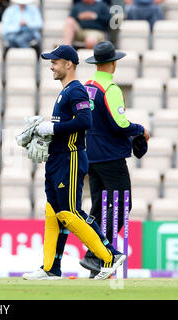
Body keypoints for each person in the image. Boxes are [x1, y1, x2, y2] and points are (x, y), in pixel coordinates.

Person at [21, 45, 126, 280]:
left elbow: (85, 121)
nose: (51, 66)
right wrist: (47, 134)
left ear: (69, 64)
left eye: (55, 62)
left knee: (69, 212)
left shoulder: (76, 90)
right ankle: (51, 268)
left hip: (71, 158)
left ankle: (109, 255)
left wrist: (53, 128)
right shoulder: (65, 92)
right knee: (52, 213)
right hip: (58, 158)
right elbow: (68, 124)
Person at [80, 41, 150, 277]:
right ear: (112, 63)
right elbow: (119, 123)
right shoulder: (110, 88)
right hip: (110, 156)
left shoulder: (87, 86)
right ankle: (98, 255)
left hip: (91, 155)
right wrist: (140, 129)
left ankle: (93, 263)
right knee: (121, 205)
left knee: (99, 207)